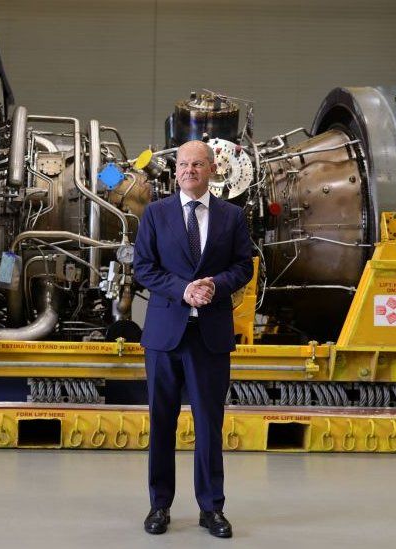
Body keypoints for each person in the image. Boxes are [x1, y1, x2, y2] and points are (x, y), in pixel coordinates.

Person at [133, 140, 254, 538]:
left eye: (197, 164)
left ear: (213, 168)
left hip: (210, 337)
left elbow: (243, 267)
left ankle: (211, 509)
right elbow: (143, 268)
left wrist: (214, 286)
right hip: (165, 336)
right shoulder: (155, 214)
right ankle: (159, 506)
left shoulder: (232, 217)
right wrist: (183, 290)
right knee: (162, 424)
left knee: (208, 426)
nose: (189, 170)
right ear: (176, 171)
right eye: (183, 164)